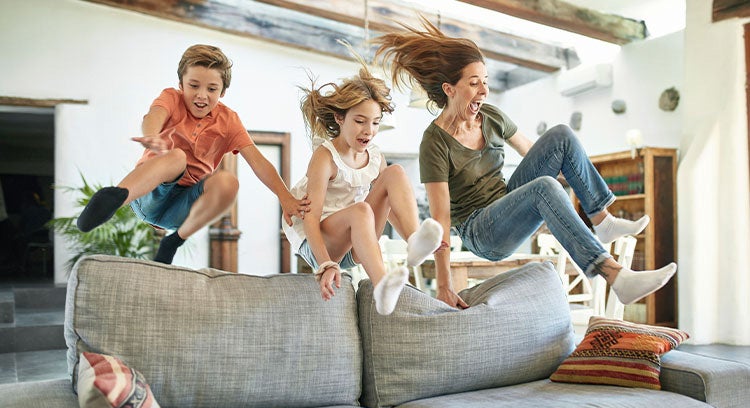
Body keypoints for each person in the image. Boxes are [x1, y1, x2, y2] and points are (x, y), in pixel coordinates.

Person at [374, 20, 676, 309]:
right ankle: (616, 276)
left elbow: (538, 154)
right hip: (480, 231)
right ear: (449, 89)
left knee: (560, 136)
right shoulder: (434, 142)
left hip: (506, 205)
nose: (484, 91)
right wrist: (443, 284)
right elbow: (440, 217)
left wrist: (569, 172)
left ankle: (604, 221)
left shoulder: (490, 116)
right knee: (545, 187)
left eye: (486, 82)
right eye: (474, 83)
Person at [76, 44, 309, 264]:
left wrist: (286, 198)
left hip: (183, 209)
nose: (201, 95)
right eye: (194, 86)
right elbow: (154, 116)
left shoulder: (229, 121)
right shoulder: (171, 97)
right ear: (181, 84)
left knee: (229, 181)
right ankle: (115, 197)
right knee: (177, 157)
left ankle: (173, 242)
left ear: (223, 91)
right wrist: (153, 136)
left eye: (211, 89)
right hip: (148, 193)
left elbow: (258, 162)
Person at [284, 63, 443, 315]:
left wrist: (413, 240)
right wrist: (325, 264)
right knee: (360, 211)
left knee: (395, 173)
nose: (369, 130)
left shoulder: (375, 157)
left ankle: (414, 240)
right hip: (319, 244)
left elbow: (388, 207)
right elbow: (311, 218)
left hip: (356, 241)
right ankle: (382, 287)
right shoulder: (325, 157)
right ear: (339, 117)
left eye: (375, 122)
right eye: (360, 121)